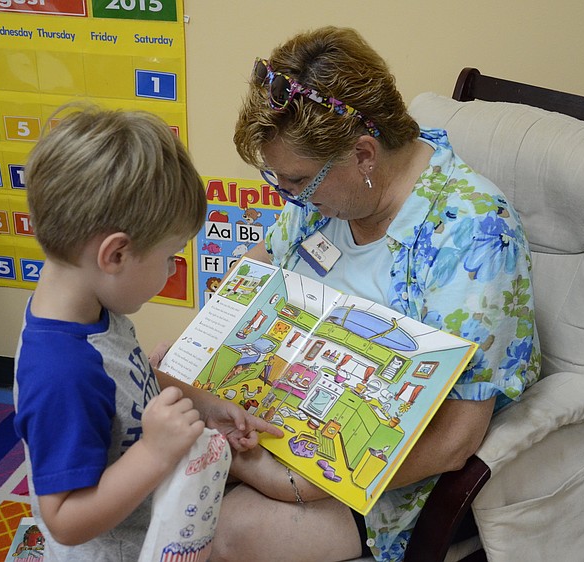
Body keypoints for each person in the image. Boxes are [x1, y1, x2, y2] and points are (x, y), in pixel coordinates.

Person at [210, 27, 542, 561]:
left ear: (364, 153)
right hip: (279, 427)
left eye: (297, 181)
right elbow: (250, 287)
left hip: (383, 482)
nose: (288, 198)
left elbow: (456, 440)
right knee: (152, 457)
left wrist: (309, 481)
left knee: (226, 534)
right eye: (278, 182)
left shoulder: (473, 232)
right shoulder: (319, 208)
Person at [12, 106, 280, 561]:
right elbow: (65, 521)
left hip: (152, 523)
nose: (173, 269)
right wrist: (155, 453)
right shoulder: (62, 374)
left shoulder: (92, 307)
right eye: (170, 256)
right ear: (115, 254)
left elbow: (132, 377)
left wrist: (206, 405)